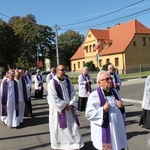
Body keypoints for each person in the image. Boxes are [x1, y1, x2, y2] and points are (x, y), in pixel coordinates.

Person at [85, 70, 128, 150]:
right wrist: (103, 110)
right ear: (99, 82)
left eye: (110, 78)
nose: (110, 80)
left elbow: (120, 109)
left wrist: (121, 107)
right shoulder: (94, 95)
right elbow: (89, 114)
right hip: (104, 132)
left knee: (118, 146)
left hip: (117, 129)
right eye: (107, 79)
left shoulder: (115, 92)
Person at [47, 64, 84, 150]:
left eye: (64, 70)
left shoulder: (67, 81)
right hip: (58, 110)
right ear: (57, 71)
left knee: (72, 127)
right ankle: (60, 145)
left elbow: (73, 92)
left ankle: (75, 144)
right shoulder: (52, 83)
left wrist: (71, 103)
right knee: (60, 128)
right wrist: (64, 105)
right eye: (62, 70)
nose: (64, 72)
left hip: (69, 108)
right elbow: (53, 97)